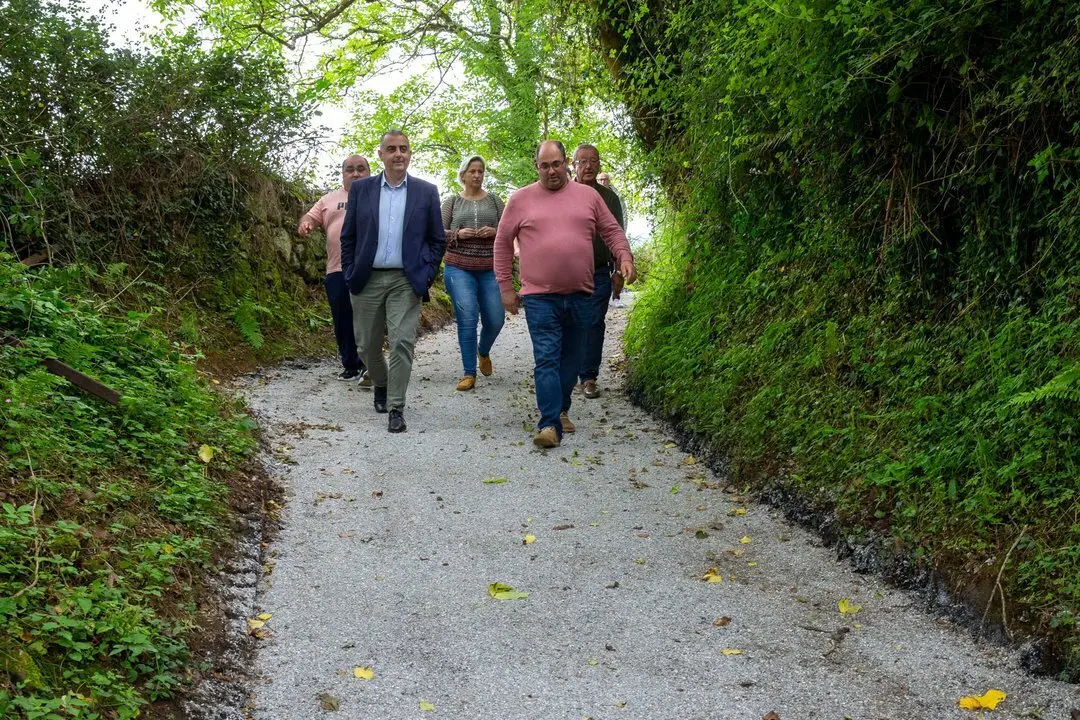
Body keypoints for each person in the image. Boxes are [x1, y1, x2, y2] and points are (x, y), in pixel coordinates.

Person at [494, 140, 636, 448]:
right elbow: (503, 243)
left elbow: (612, 231)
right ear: (537, 167)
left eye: (556, 164)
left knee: (570, 360)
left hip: (581, 293)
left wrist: (624, 257)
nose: (551, 171)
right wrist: (505, 286)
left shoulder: (588, 197)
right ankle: (549, 423)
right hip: (539, 296)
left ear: (565, 164)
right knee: (546, 358)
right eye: (544, 165)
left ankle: (561, 409)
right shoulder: (520, 200)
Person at [340, 130, 447, 433]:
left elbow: (437, 240)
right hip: (367, 278)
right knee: (366, 346)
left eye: (404, 149)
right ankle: (382, 385)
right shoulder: (362, 189)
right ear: (381, 154)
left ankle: (396, 407)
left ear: (410, 153)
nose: (399, 154)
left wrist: (426, 274)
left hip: (405, 279)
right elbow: (348, 237)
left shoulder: (426, 191)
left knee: (402, 342)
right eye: (392, 149)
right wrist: (350, 272)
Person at [298, 155, 371, 384]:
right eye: (350, 169)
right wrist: (306, 224)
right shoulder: (329, 199)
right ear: (343, 173)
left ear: (369, 172)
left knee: (368, 319)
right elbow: (310, 216)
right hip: (336, 269)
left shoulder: (377, 197)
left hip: (369, 269)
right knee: (342, 318)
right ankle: (350, 365)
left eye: (361, 169)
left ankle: (368, 364)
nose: (356, 173)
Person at [441, 156, 506, 391]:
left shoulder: (495, 201)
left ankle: (483, 350)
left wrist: (495, 231)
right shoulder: (452, 202)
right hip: (459, 267)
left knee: (496, 319)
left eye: (481, 171)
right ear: (463, 175)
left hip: (490, 268)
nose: (477, 175)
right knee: (467, 317)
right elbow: (438, 231)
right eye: (472, 171)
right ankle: (469, 373)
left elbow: (511, 228)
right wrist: (458, 234)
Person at [572, 144, 625, 398]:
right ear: (573, 166)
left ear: (600, 166)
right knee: (571, 322)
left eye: (593, 161)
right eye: (582, 161)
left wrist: (618, 271)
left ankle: (589, 377)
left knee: (594, 322)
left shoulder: (609, 198)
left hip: (598, 271)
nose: (589, 166)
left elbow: (617, 236)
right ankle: (569, 371)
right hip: (566, 272)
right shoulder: (561, 193)